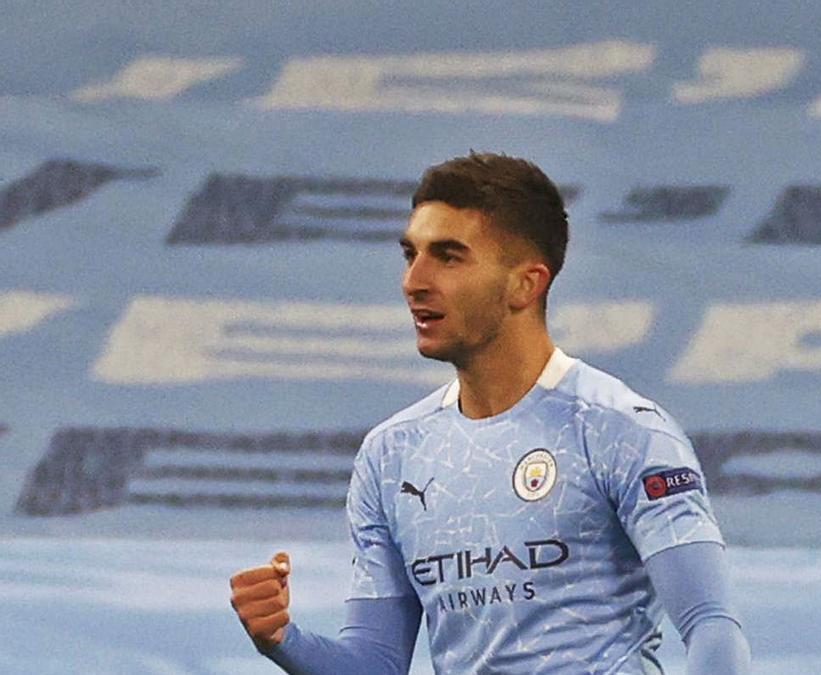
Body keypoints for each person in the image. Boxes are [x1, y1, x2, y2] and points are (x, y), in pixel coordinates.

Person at [229, 152, 752, 673]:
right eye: (410, 254)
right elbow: (375, 662)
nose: (415, 281)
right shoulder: (391, 455)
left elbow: (710, 625)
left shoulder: (621, 429)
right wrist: (282, 638)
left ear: (526, 283)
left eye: (448, 256)